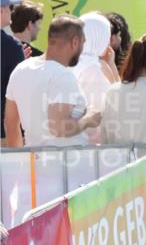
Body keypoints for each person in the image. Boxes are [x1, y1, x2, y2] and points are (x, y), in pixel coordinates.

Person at [4, 14, 102, 147]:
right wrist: (89, 119)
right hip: (67, 164)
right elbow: (59, 128)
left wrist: (19, 162)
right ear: (75, 42)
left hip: (34, 162)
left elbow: (11, 124)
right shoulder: (63, 76)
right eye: (83, 43)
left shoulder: (20, 69)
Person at [74, 13, 119, 142]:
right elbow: (114, 105)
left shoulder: (71, 62)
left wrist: (110, 65)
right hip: (93, 147)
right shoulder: (93, 70)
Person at [1, 0, 26, 142]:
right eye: (10, 8)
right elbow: (20, 90)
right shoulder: (11, 46)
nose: (12, 12)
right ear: (1, 10)